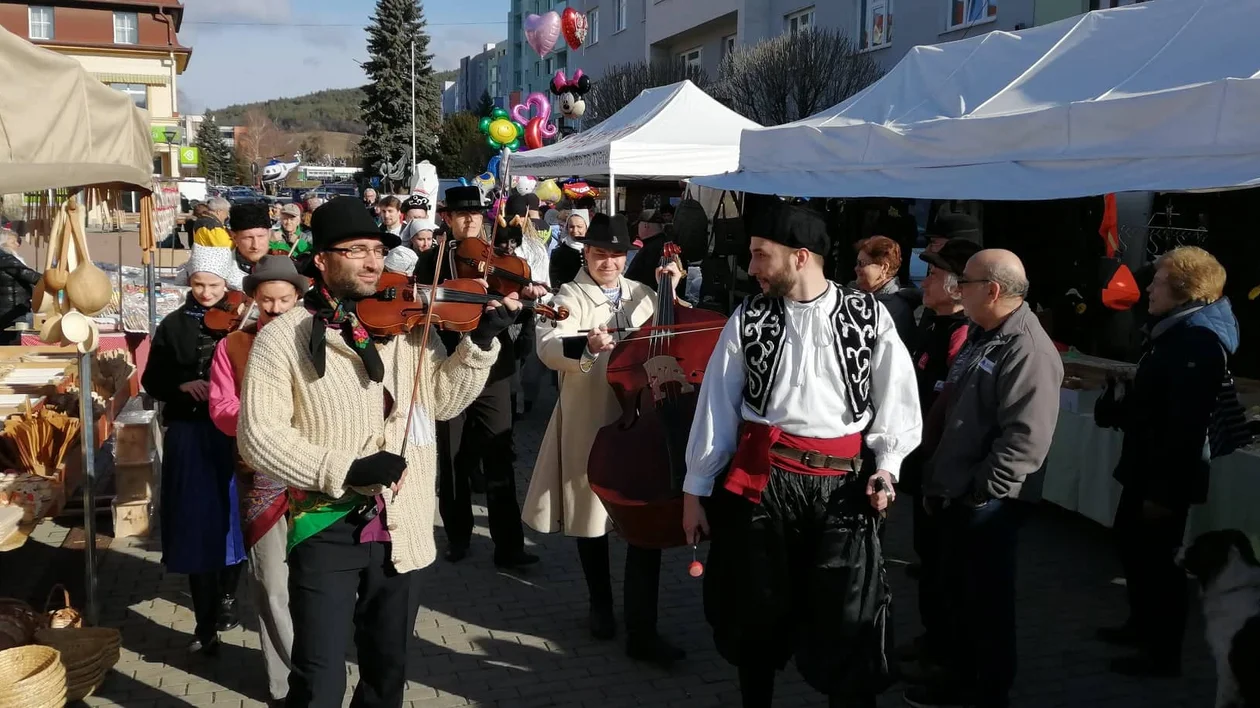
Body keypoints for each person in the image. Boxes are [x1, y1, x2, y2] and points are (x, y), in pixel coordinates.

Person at [237, 197, 521, 708]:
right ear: (321, 259)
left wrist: (478, 346)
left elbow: (443, 402)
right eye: (357, 251)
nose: (373, 262)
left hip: (403, 522)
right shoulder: (282, 338)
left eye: (377, 250)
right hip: (326, 522)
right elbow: (259, 436)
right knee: (319, 680)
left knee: (386, 676)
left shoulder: (408, 330)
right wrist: (344, 467)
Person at [681, 201, 922, 708]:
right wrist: (695, 490)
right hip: (765, 484)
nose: (751, 267)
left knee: (848, 620)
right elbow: (716, 406)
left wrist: (887, 468)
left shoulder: (867, 315)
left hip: (843, 488)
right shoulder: (749, 317)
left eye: (761, 255)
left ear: (800, 257)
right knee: (755, 615)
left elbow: (898, 398)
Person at [523, 213, 687, 666]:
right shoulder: (569, 296)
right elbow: (548, 344)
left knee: (645, 525)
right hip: (593, 418)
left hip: (643, 420)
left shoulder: (645, 294)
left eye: (616, 255)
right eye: (600, 255)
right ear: (587, 255)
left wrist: (673, 291)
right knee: (590, 514)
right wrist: (586, 346)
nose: (609, 263)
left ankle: (642, 626)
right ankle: (600, 603)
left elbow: (674, 333)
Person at [905, 249, 1063, 708]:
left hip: (986, 504)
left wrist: (979, 492)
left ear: (992, 290)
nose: (958, 290)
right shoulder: (985, 334)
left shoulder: (1027, 349)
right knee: (961, 597)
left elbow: (1025, 440)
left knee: (984, 604)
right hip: (959, 493)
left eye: (965, 282)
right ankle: (959, 676)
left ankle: (984, 690)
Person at [1093, 246, 1238, 678]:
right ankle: (1141, 626)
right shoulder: (1174, 332)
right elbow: (1159, 405)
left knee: (1157, 561)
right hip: (1147, 466)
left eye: (1157, 283)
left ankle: (1162, 652)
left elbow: (1185, 427)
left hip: (1163, 476)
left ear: (1184, 289)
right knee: (1133, 547)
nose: (1148, 290)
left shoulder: (1197, 341)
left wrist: (1163, 493)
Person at [208, 256, 307, 707]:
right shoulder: (232, 345)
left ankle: (317, 671)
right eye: (266, 300)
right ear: (253, 298)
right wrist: (262, 417)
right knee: (271, 583)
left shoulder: (318, 338)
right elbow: (220, 408)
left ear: (298, 297)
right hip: (260, 477)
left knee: (317, 583)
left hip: (314, 479)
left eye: (284, 300)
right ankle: (284, 685)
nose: (275, 309)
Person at [142, 246, 247, 656]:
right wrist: (181, 386)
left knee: (237, 519)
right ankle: (205, 624)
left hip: (234, 433)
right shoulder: (173, 324)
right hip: (191, 432)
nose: (205, 293)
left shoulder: (244, 319)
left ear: (227, 284)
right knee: (197, 523)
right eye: (199, 284)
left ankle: (228, 596)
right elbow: (152, 379)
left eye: (214, 286)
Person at [431, 186, 544, 567]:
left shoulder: (499, 261)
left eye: (476, 215)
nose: (470, 220)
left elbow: (518, 305)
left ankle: (509, 545)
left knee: (499, 452)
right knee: (453, 458)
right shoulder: (431, 261)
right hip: (448, 364)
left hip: (495, 369)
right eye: (462, 215)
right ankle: (458, 535)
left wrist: (525, 297)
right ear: (447, 218)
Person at [896, 238, 981, 685]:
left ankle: (946, 650)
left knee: (945, 567)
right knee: (929, 560)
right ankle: (933, 638)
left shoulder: (964, 333)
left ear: (957, 285)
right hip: (922, 463)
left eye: (933, 274)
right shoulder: (933, 323)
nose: (924, 281)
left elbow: (953, 407)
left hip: (941, 470)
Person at [853, 235, 920, 345]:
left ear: (884, 268)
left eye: (862, 264)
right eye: (857, 263)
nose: (856, 268)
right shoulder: (866, 296)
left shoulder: (891, 310)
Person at [0, 229, 40, 345]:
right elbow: (30, 276)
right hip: (12, 309)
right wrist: (50, 279)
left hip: (7, 308)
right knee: (11, 341)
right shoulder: (6, 259)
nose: (17, 244)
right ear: (3, 243)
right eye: (13, 242)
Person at [228, 203, 272, 283]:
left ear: (269, 234)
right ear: (234, 237)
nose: (255, 245)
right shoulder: (222, 266)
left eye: (261, 236)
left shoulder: (285, 265)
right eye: (248, 238)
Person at [549, 208, 589, 286]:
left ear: (586, 227)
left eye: (579, 226)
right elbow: (555, 282)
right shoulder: (558, 253)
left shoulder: (593, 250)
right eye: (571, 227)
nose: (575, 230)